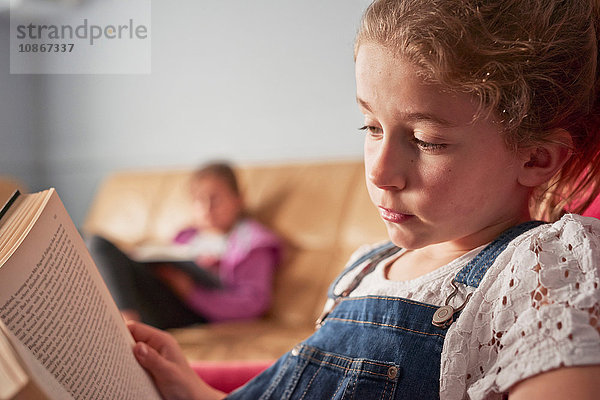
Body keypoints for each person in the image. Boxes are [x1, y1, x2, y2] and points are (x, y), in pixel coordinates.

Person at [127, 0, 600, 398]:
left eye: (426, 139)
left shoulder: (546, 270)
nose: (378, 171)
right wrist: (196, 390)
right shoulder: (363, 270)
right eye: (371, 127)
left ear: (537, 158)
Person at [88, 162, 281, 329]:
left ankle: (127, 325)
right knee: (89, 242)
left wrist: (190, 291)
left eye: (215, 199)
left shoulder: (253, 243)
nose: (206, 208)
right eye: (199, 200)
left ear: (238, 199)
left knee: (99, 244)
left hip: (193, 312)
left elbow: (253, 304)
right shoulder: (185, 237)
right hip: (159, 297)